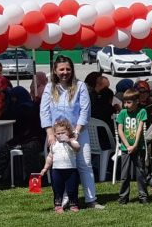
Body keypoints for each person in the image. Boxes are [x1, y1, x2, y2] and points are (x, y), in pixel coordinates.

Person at [39, 55, 103, 209]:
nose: (65, 72)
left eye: (68, 69)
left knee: (84, 164)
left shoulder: (80, 86)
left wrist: (76, 132)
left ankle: (91, 200)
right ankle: (64, 199)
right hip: (57, 135)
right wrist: (50, 134)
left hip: (78, 132)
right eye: (61, 69)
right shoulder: (49, 88)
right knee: (62, 166)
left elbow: (85, 110)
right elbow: (44, 112)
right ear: (55, 70)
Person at [0, 86, 44, 183]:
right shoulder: (31, 105)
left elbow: (5, 116)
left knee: (6, 148)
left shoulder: (23, 108)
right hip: (34, 139)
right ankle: (34, 182)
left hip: (29, 139)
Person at [39, 118, 81, 213]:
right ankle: (58, 205)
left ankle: (73, 204)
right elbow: (50, 157)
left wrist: (69, 142)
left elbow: (78, 148)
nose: (60, 135)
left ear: (69, 132)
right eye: (58, 133)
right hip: (56, 170)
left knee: (72, 188)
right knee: (57, 188)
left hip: (71, 170)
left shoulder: (72, 141)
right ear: (54, 134)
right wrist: (45, 168)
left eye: (63, 132)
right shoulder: (54, 144)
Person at [116, 88, 149, 205]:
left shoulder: (142, 112)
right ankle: (123, 197)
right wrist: (127, 145)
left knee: (140, 173)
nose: (126, 105)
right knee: (124, 175)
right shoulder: (122, 113)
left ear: (137, 101)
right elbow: (120, 130)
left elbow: (140, 129)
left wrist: (135, 145)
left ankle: (143, 196)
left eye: (129, 102)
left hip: (139, 148)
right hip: (126, 149)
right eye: (124, 102)